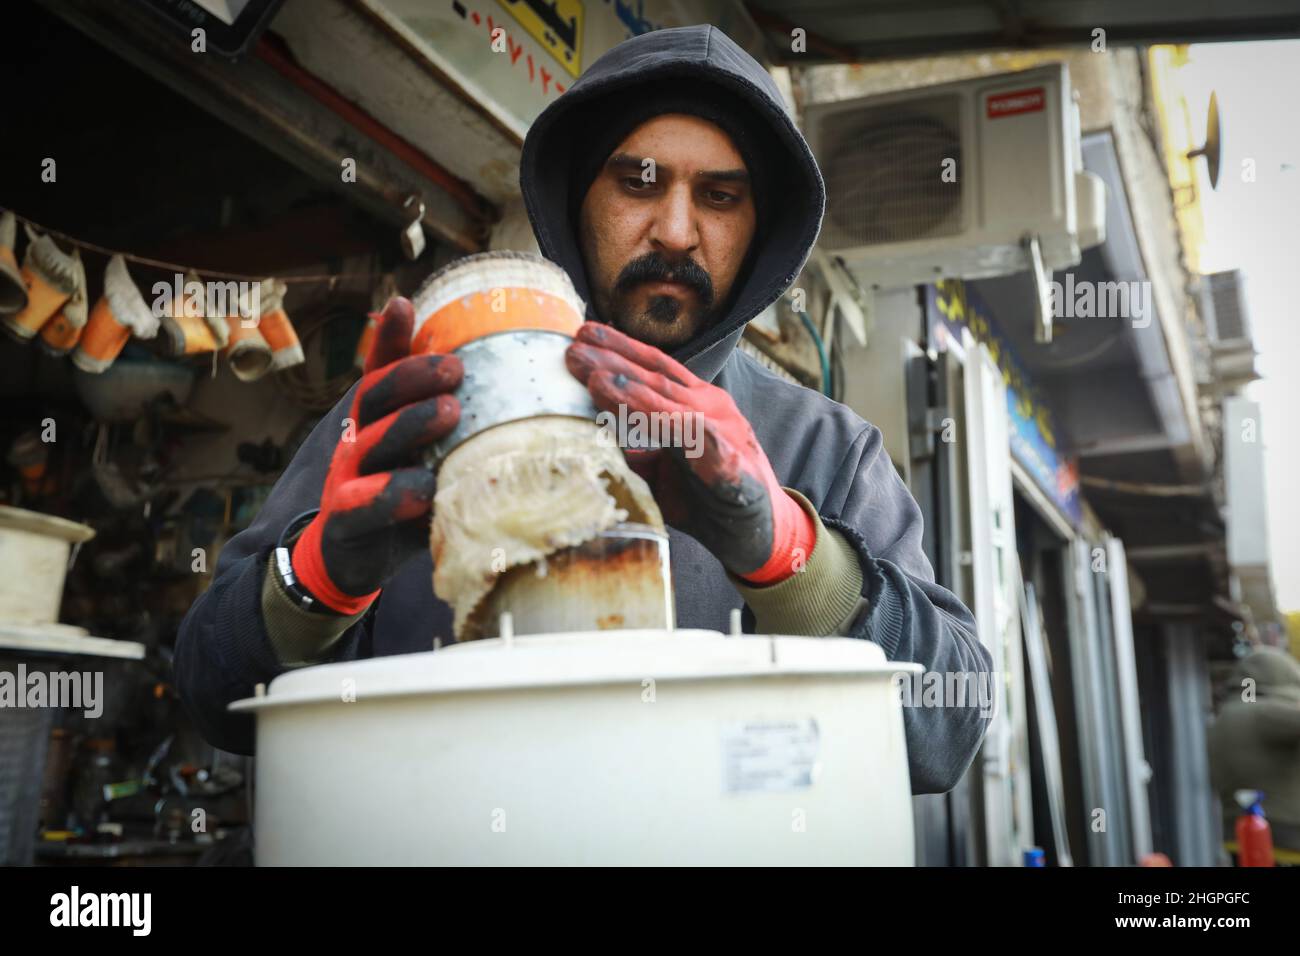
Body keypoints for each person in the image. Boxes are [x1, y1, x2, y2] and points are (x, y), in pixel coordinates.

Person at [175, 24, 992, 794]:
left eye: (719, 195)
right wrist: (319, 578)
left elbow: (948, 736)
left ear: (760, 227)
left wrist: (789, 553)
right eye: (638, 180)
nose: (675, 230)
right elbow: (212, 697)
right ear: (578, 199)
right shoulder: (416, 412)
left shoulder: (825, 447)